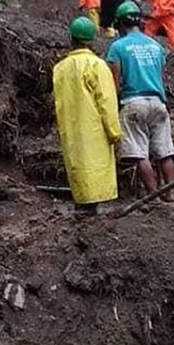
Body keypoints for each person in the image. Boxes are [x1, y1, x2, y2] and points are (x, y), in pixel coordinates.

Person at [52, 16, 122, 215]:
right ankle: (90, 209)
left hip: (71, 128)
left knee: (78, 167)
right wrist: (115, 132)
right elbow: (107, 101)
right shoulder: (97, 66)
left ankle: (82, 205)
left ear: (71, 38)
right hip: (94, 129)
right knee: (94, 168)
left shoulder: (60, 68)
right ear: (91, 40)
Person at [106, 1, 174, 196]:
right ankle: (170, 194)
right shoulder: (156, 46)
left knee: (139, 153)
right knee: (165, 151)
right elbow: (160, 76)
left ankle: (152, 195)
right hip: (158, 102)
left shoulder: (118, 47)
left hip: (133, 103)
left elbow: (115, 83)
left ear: (120, 24)